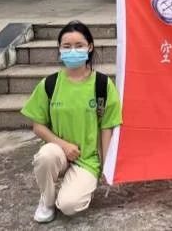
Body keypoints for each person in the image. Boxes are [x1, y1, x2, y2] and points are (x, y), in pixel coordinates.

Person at [21, 21, 122, 223]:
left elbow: (106, 128)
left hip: (88, 158)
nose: (72, 51)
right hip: (59, 152)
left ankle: (78, 184)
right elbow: (38, 126)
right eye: (66, 46)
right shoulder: (50, 84)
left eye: (79, 45)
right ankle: (47, 201)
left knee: (69, 206)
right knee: (45, 156)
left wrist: (107, 166)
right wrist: (64, 146)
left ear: (90, 47)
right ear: (59, 49)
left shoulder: (102, 85)